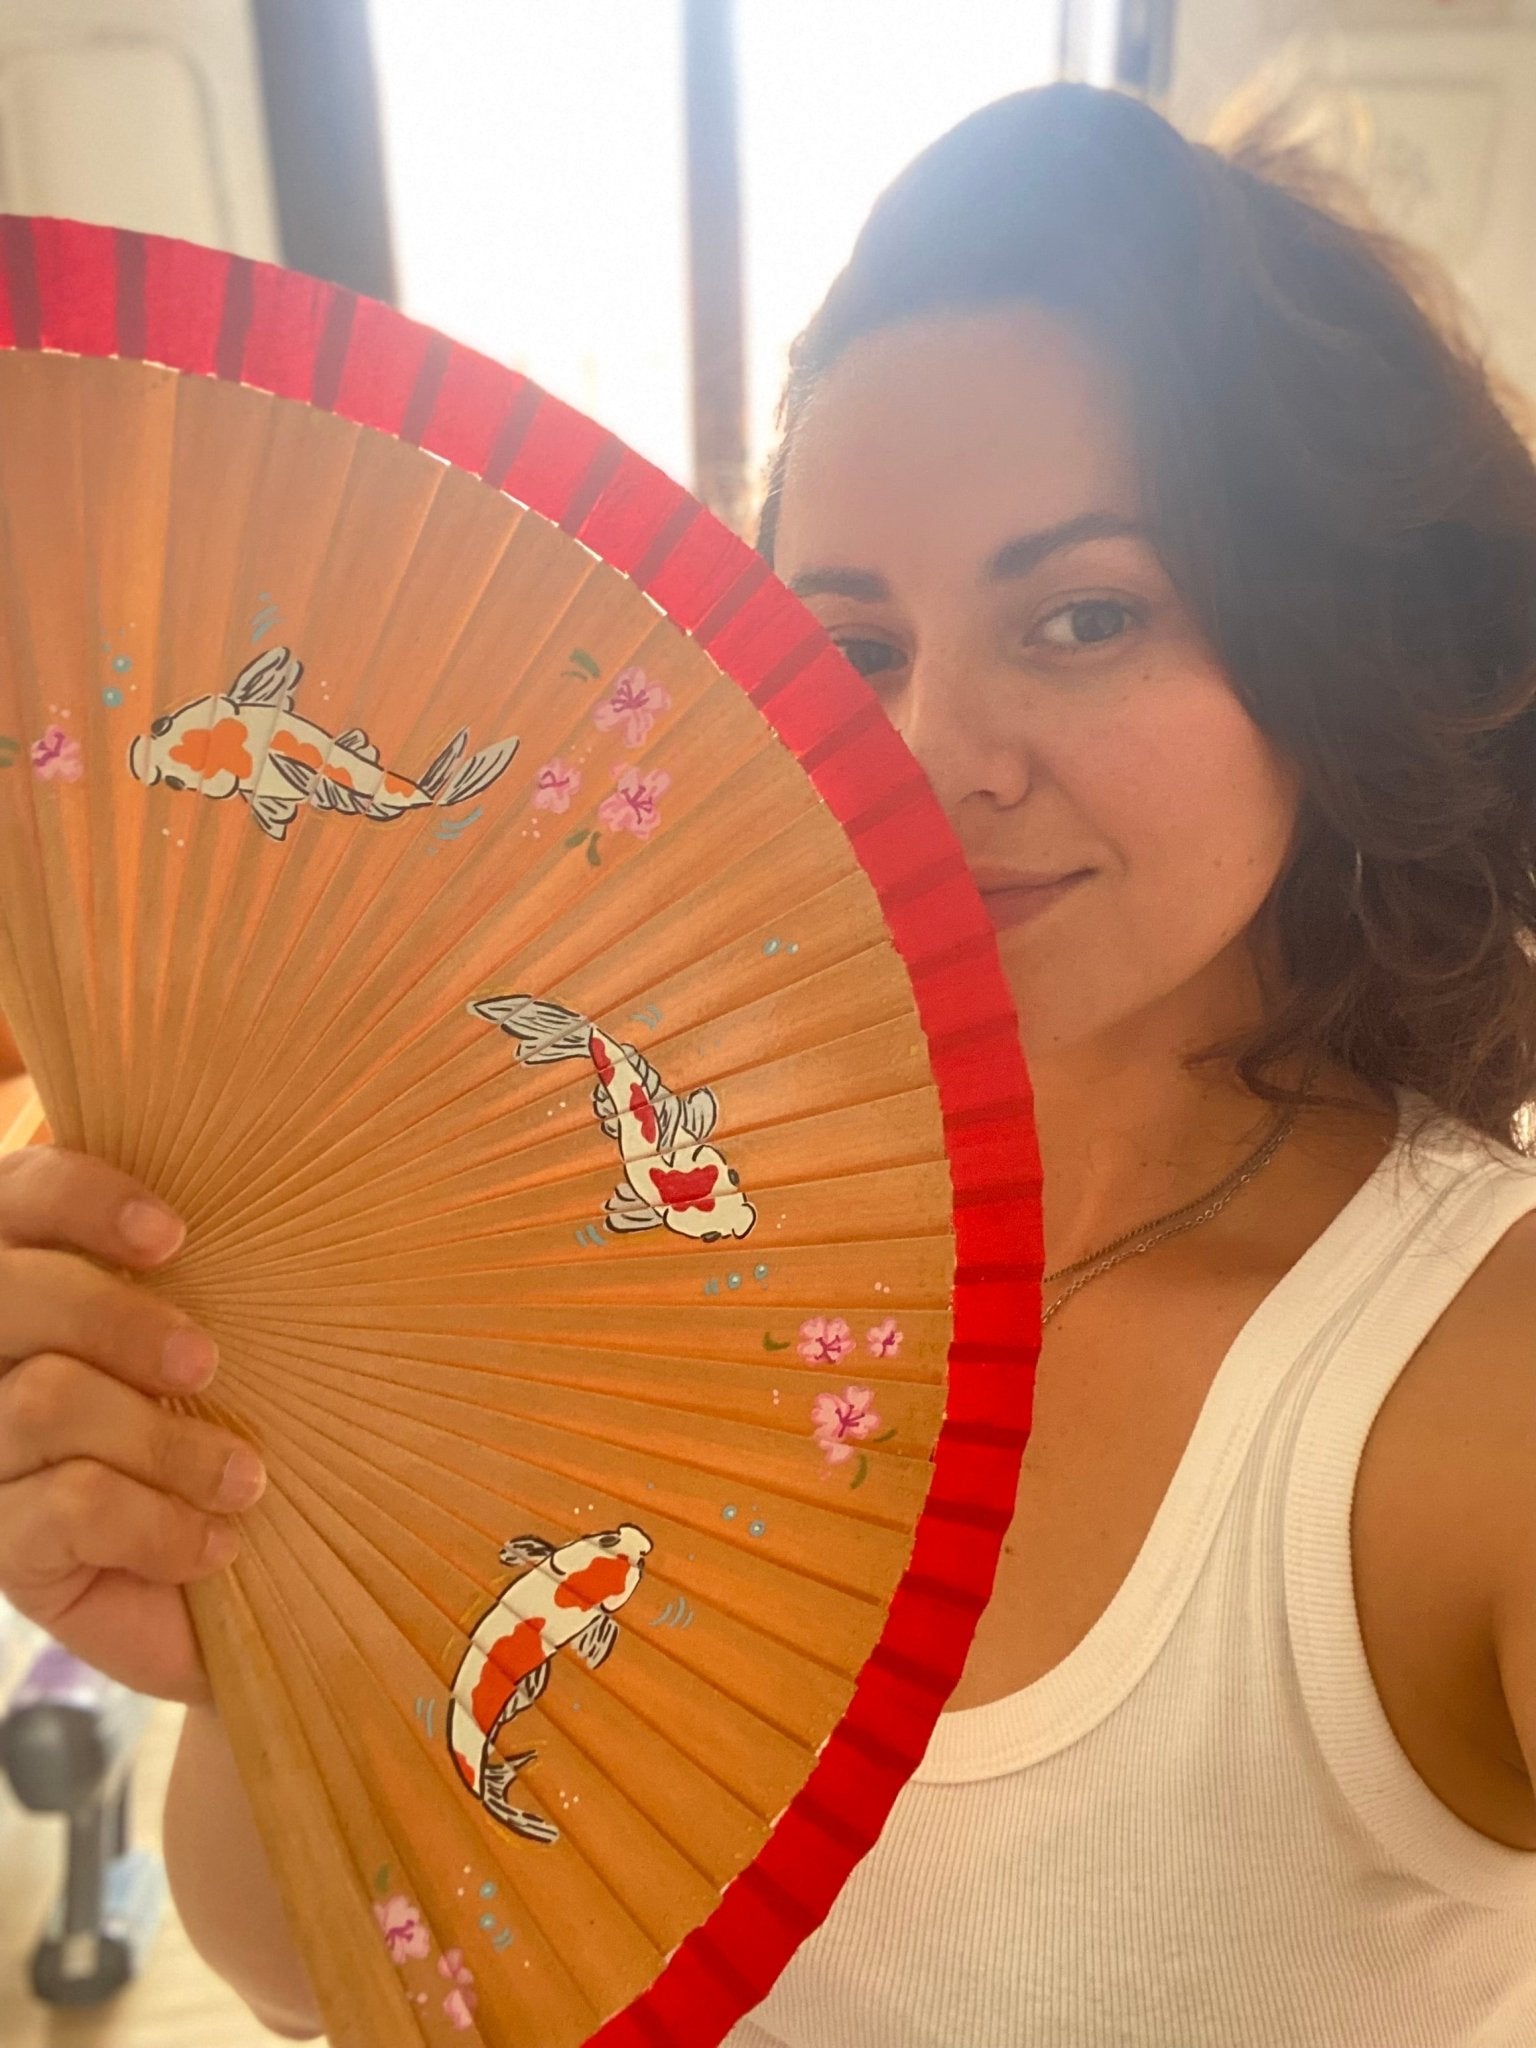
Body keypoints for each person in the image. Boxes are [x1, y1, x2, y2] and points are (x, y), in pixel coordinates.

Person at [3, 76, 1536, 2045]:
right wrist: (232, 1643)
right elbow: (318, 1969)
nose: (938, 750)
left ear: (1330, 654)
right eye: (853, 642)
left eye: (1084, 614)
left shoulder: (1468, 1375)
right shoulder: (602, 1193)